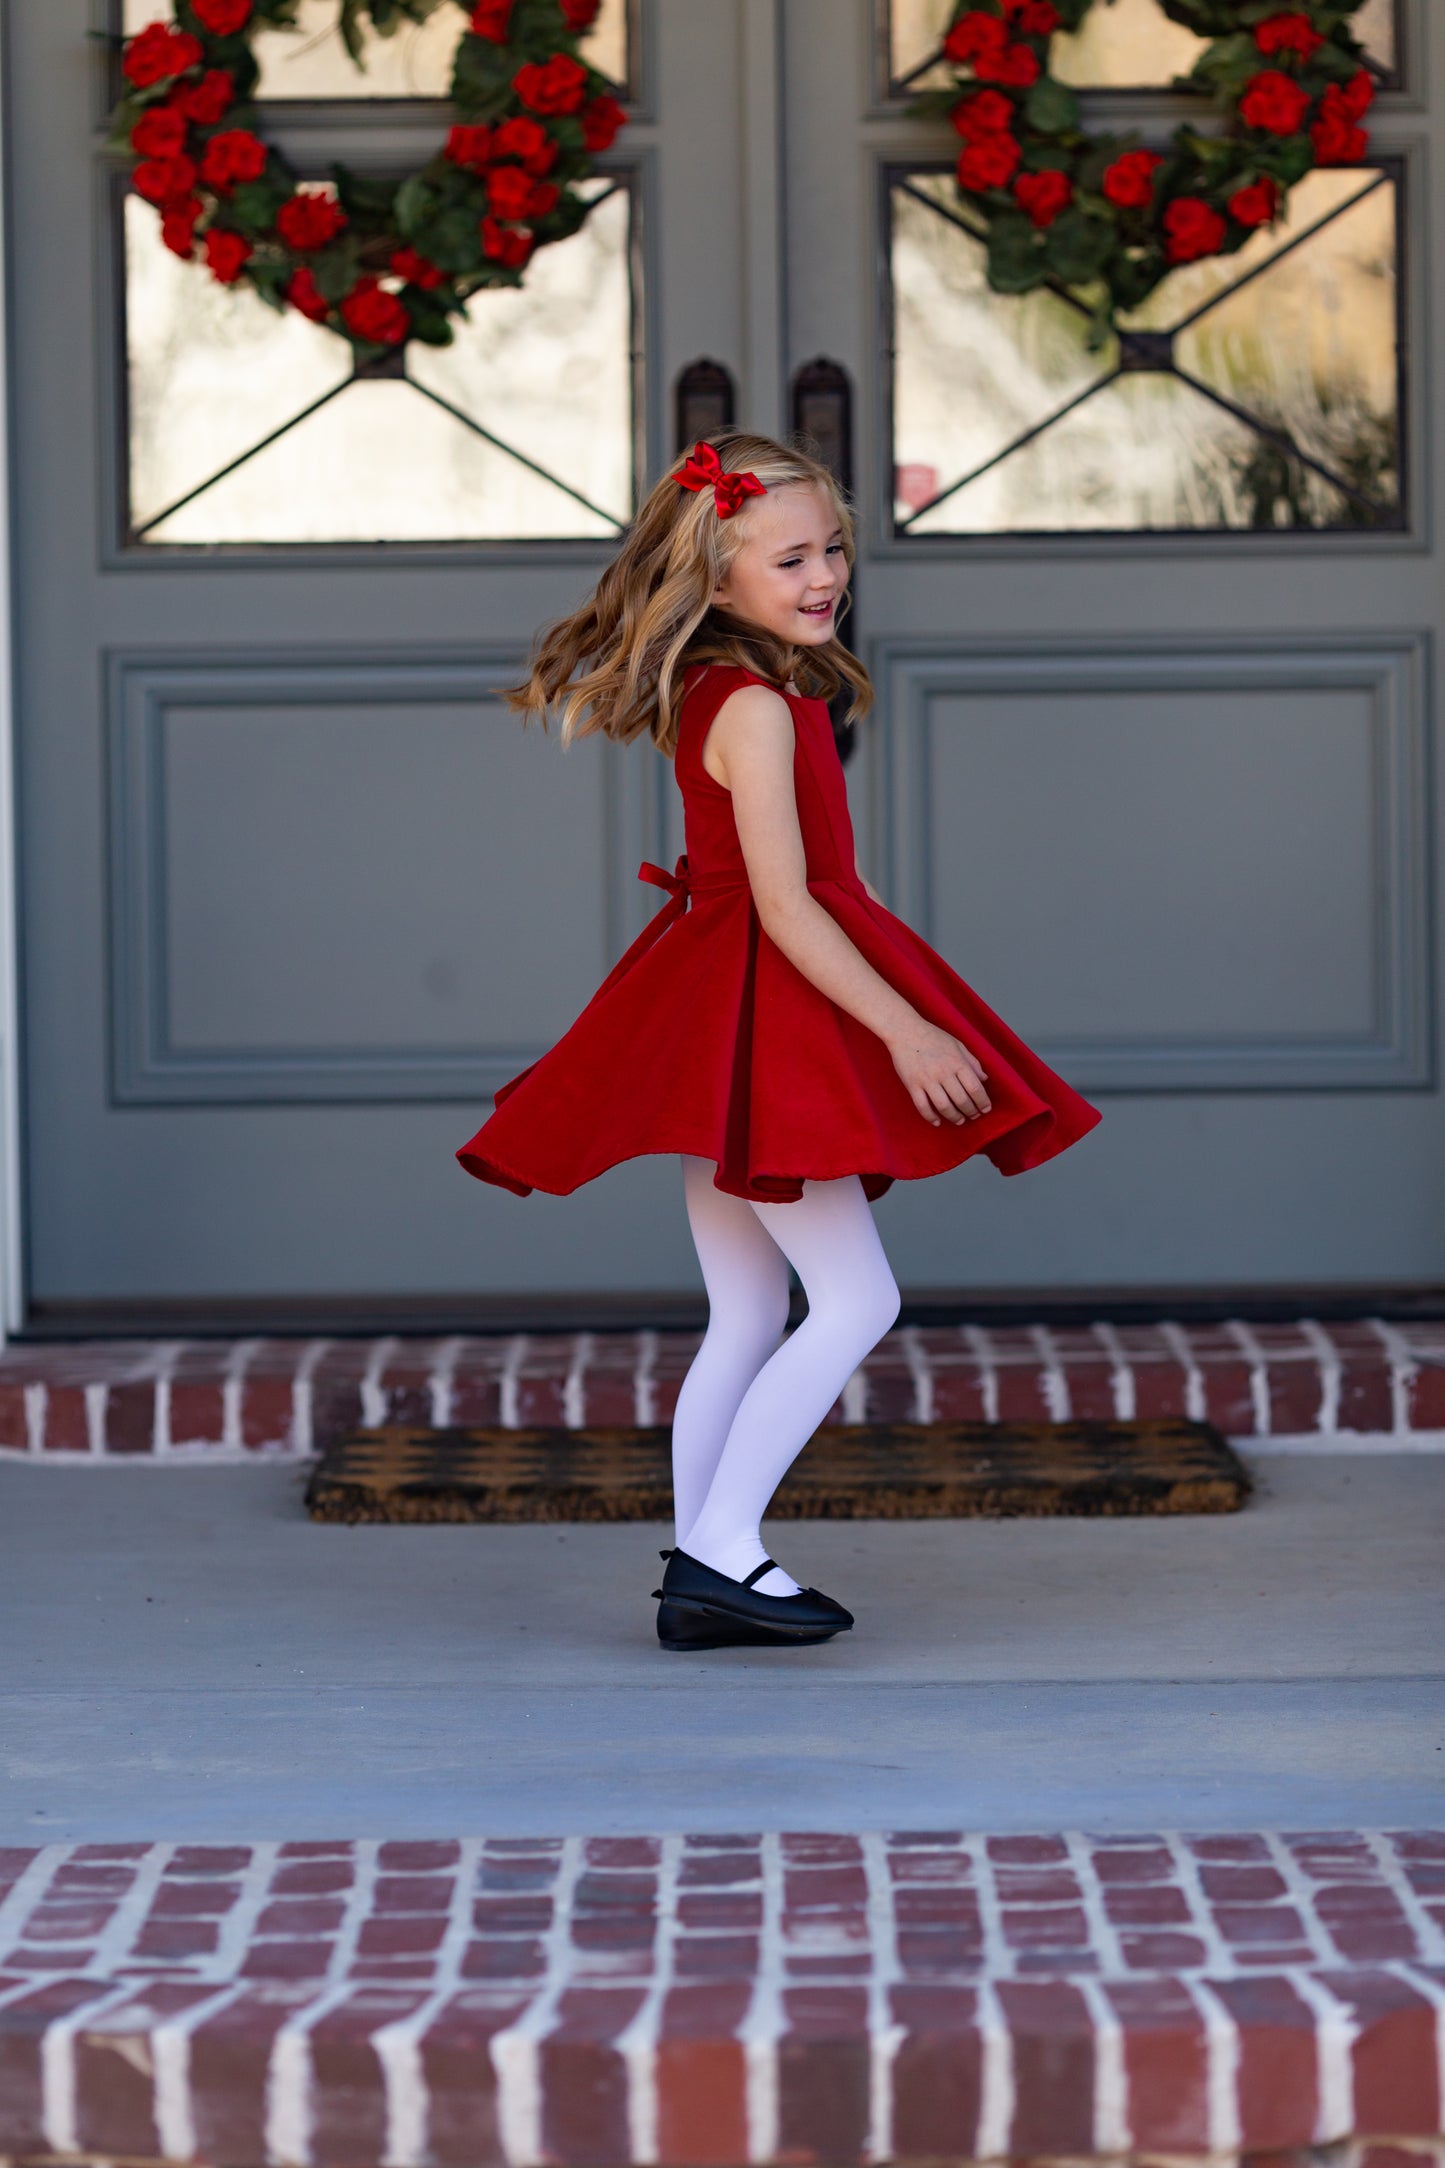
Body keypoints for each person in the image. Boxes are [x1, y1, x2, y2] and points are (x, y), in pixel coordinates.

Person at [456, 431, 1101, 1651]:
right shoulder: (753, 704)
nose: (824, 576)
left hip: (726, 1007)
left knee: (748, 1312)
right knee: (855, 1294)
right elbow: (787, 899)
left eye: (834, 549)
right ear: (713, 578)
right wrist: (907, 1029)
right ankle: (718, 1550)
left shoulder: (731, 688)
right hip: (766, 1009)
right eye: (790, 556)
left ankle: (702, 1561)